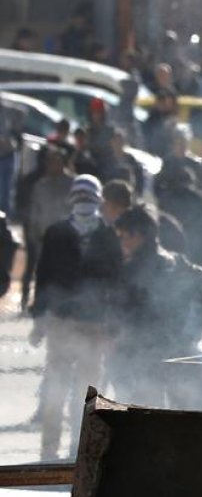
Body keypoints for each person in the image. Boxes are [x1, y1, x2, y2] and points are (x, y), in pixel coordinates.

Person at [28, 175, 121, 459]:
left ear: (98, 201)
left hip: (95, 326)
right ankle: (48, 452)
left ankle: (78, 451)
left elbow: (116, 283)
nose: (84, 203)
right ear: (72, 200)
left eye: (89, 198)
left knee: (87, 394)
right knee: (55, 389)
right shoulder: (56, 232)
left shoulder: (108, 235)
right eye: (79, 197)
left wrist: (113, 326)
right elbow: (43, 277)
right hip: (61, 323)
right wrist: (39, 319)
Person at [110, 206, 202, 406]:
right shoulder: (177, 262)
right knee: (177, 418)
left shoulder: (131, 270)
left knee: (146, 423)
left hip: (142, 360)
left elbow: (120, 318)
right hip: (177, 352)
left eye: (124, 236)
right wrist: (196, 330)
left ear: (140, 236)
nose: (122, 242)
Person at [23, 146, 74, 312]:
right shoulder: (41, 185)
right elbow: (34, 211)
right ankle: (37, 303)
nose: (52, 165)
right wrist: (33, 232)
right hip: (43, 236)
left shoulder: (72, 184)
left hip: (66, 238)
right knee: (41, 271)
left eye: (56, 161)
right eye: (50, 161)